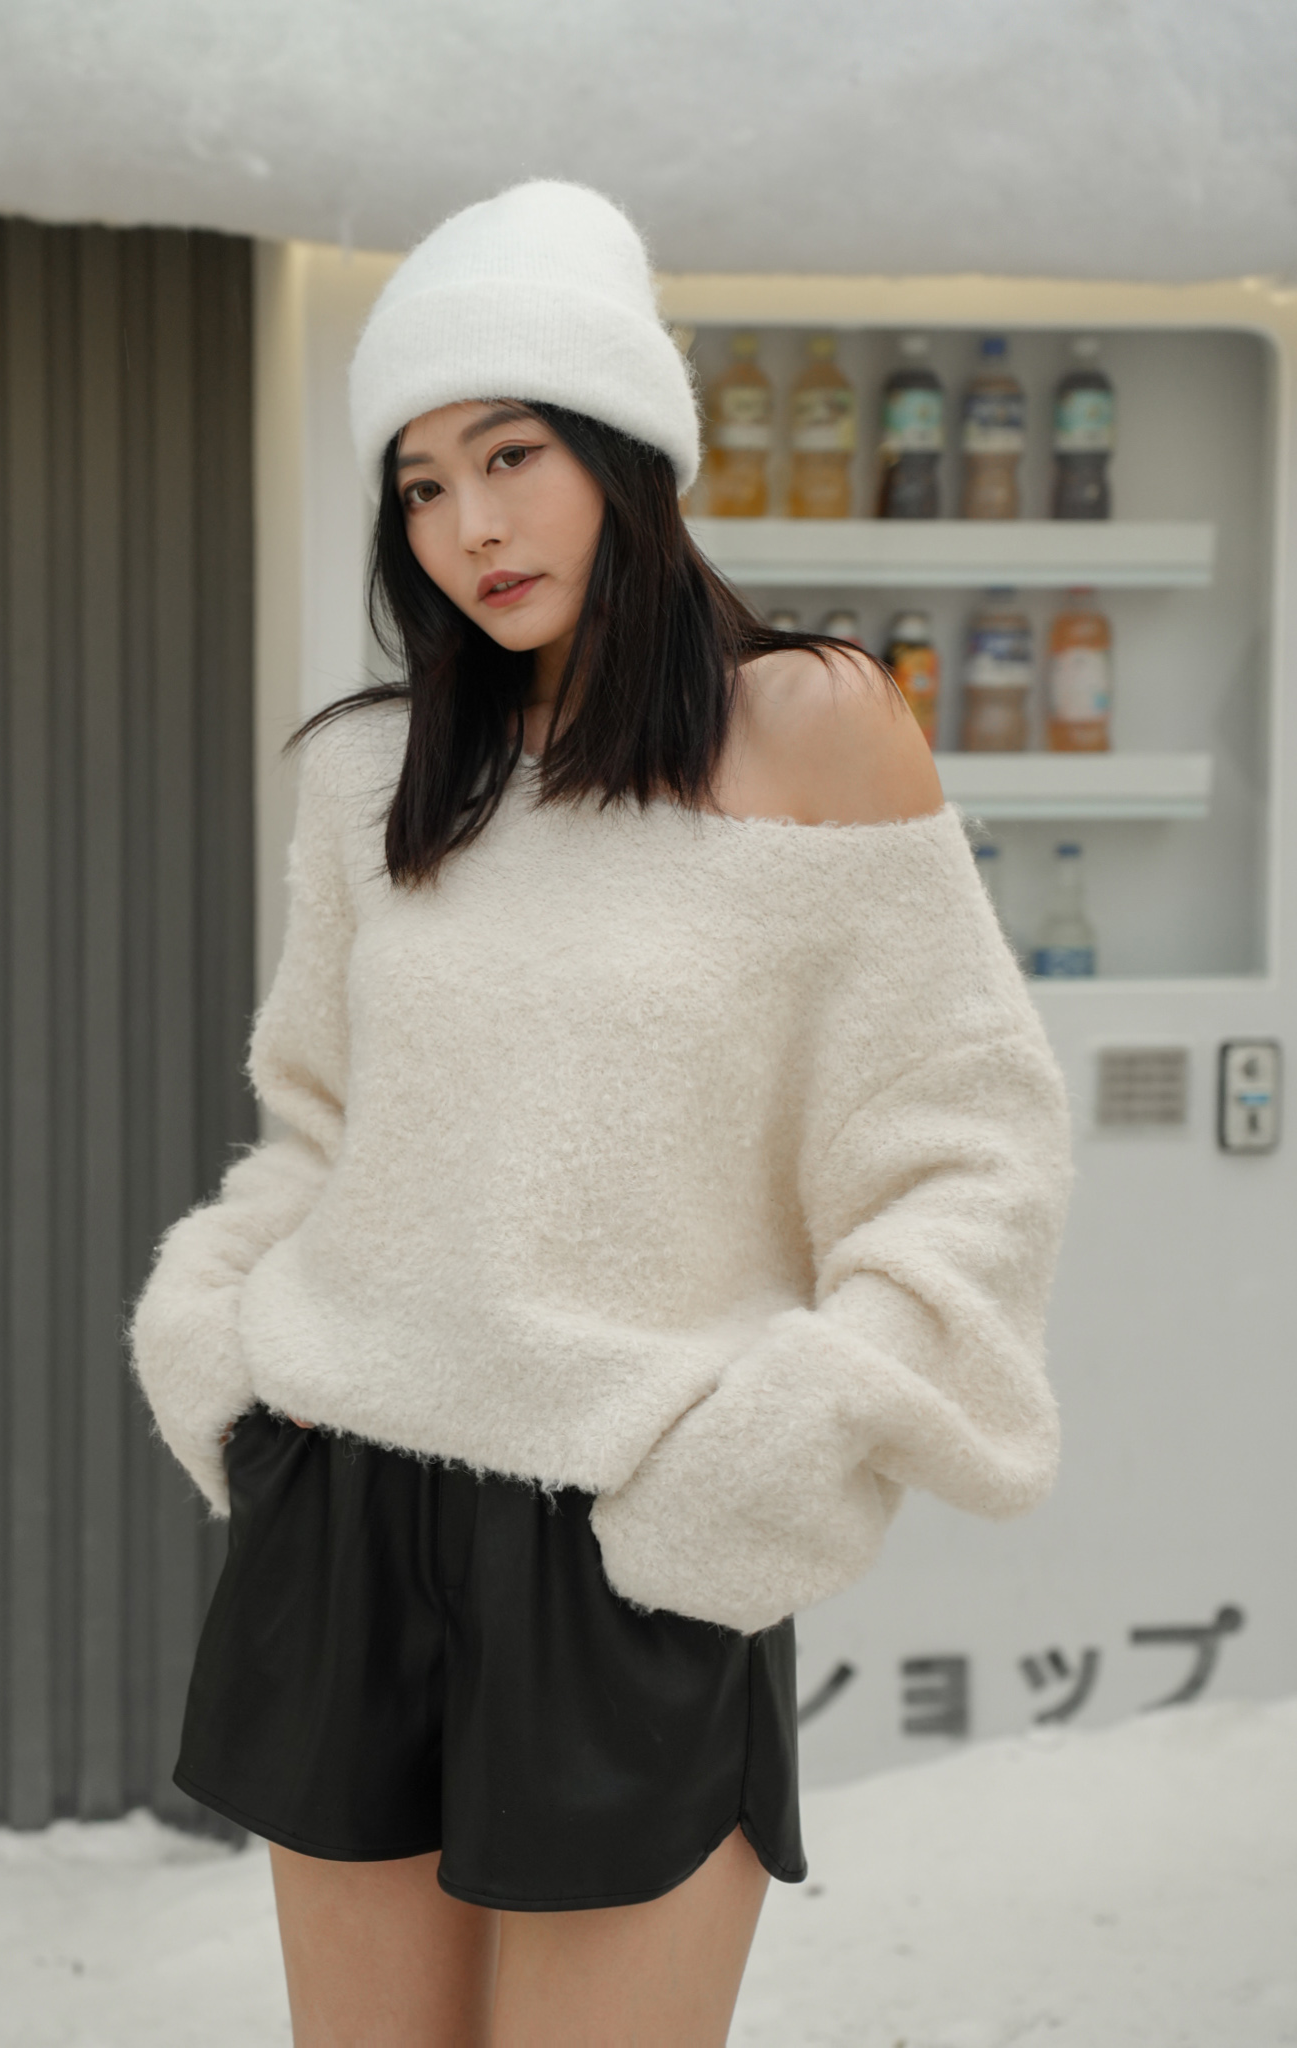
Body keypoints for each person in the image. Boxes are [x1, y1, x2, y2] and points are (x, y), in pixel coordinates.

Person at [128, 179, 1074, 2046]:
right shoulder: (376, 774)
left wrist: (776, 1450)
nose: (470, 525)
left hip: (634, 1534)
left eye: (513, 454)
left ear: (627, 449)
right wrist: (216, 1342)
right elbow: (315, 1127)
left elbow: (970, 1149)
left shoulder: (814, 725)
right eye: (421, 485)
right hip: (348, 1507)